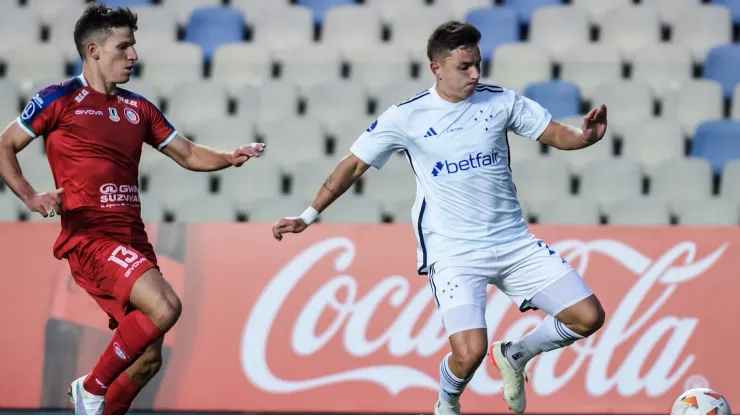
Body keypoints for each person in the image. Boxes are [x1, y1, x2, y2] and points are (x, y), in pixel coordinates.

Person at [272, 21, 606, 415]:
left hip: (513, 242)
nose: (476, 74)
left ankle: (517, 354)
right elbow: (351, 166)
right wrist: (308, 216)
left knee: (588, 317)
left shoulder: (500, 102)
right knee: (470, 353)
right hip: (453, 252)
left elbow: (554, 134)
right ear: (437, 68)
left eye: (478, 64)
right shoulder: (406, 117)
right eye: (465, 66)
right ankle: (447, 402)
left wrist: (584, 137)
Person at [0, 4, 264, 415]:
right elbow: (4, 145)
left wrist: (229, 156)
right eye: (124, 47)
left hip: (132, 239)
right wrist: (30, 195)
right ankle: (90, 387)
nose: (133, 56)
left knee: (148, 360)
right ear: (94, 50)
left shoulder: (137, 108)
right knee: (166, 307)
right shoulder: (57, 98)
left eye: (133, 47)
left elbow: (190, 154)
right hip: (90, 236)